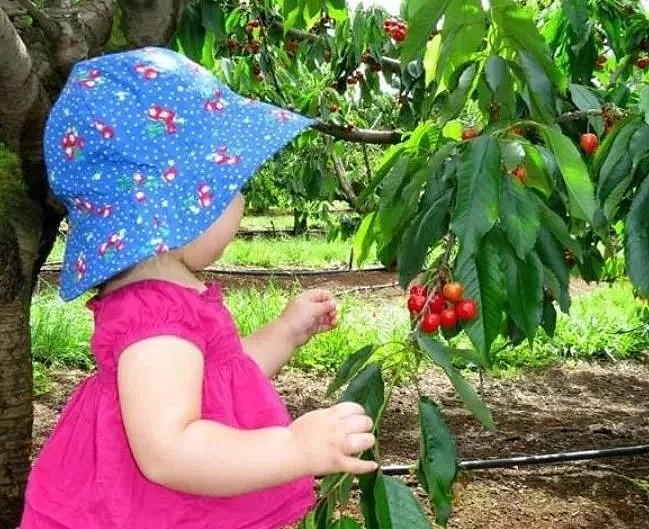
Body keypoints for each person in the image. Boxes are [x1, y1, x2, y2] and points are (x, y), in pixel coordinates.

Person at [20, 47, 377, 529]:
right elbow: (170, 452)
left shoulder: (168, 302)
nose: (242, 198)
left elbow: (220, 381)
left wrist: (287, 332)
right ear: (177, 210)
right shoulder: (155, 322)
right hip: (163, 513)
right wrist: (294, 448)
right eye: (228, 186)